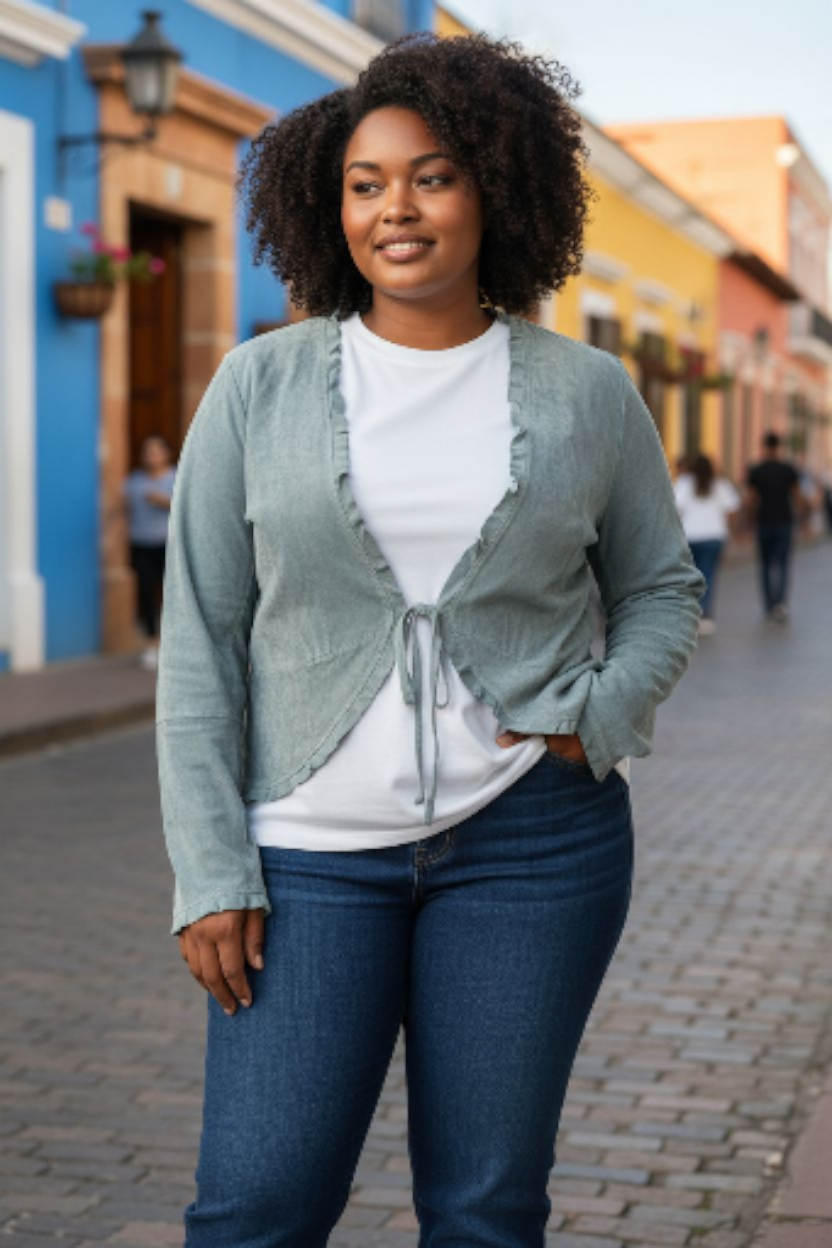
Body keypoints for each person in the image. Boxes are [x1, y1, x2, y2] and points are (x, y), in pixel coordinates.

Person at [156, 33, 704, 1245]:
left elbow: (662, 588)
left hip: (533, 848)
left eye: (432, 175)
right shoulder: (258, 386)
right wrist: (210, 869)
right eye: (364, 183)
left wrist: (596, 719)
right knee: (257, 1204)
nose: (394, 209)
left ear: (494, 190)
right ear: (328, 204)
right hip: (302, 862)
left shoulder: (587, 393)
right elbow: (200, 634)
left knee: (486, 1211)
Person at [122, 434, 176, 669]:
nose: (151, 456)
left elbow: (187, 509)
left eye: (156, 450)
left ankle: (174, 644)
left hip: (168, 544)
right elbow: (123, 509)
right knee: (145, 592)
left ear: (166, 454)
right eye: (147, 451)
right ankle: (151, 644)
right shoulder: (134, 481)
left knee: (173, 595)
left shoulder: (176, 478)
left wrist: (163, 501)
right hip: (141, 544)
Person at [674, 453, 741, 635]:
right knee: (708, 575)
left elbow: (675, 508)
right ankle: (705, 615)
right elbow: (732, 509)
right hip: (714, 536)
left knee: (689, 577)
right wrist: (731, 532)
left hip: (690, 536)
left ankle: (690, 614)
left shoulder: (684, 482)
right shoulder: (720, 484)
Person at [744, 431, 804, 623]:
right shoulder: (788, 469)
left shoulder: (756, 470)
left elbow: (751, 500)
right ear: (779, 447)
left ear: (764, 446)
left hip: (764, 522)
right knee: (783, 564)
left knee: (765, 565)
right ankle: (780, 604)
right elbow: (797, 497)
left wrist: (747, 523)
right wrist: (804, 521)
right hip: (784, 522)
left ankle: (768, 606)